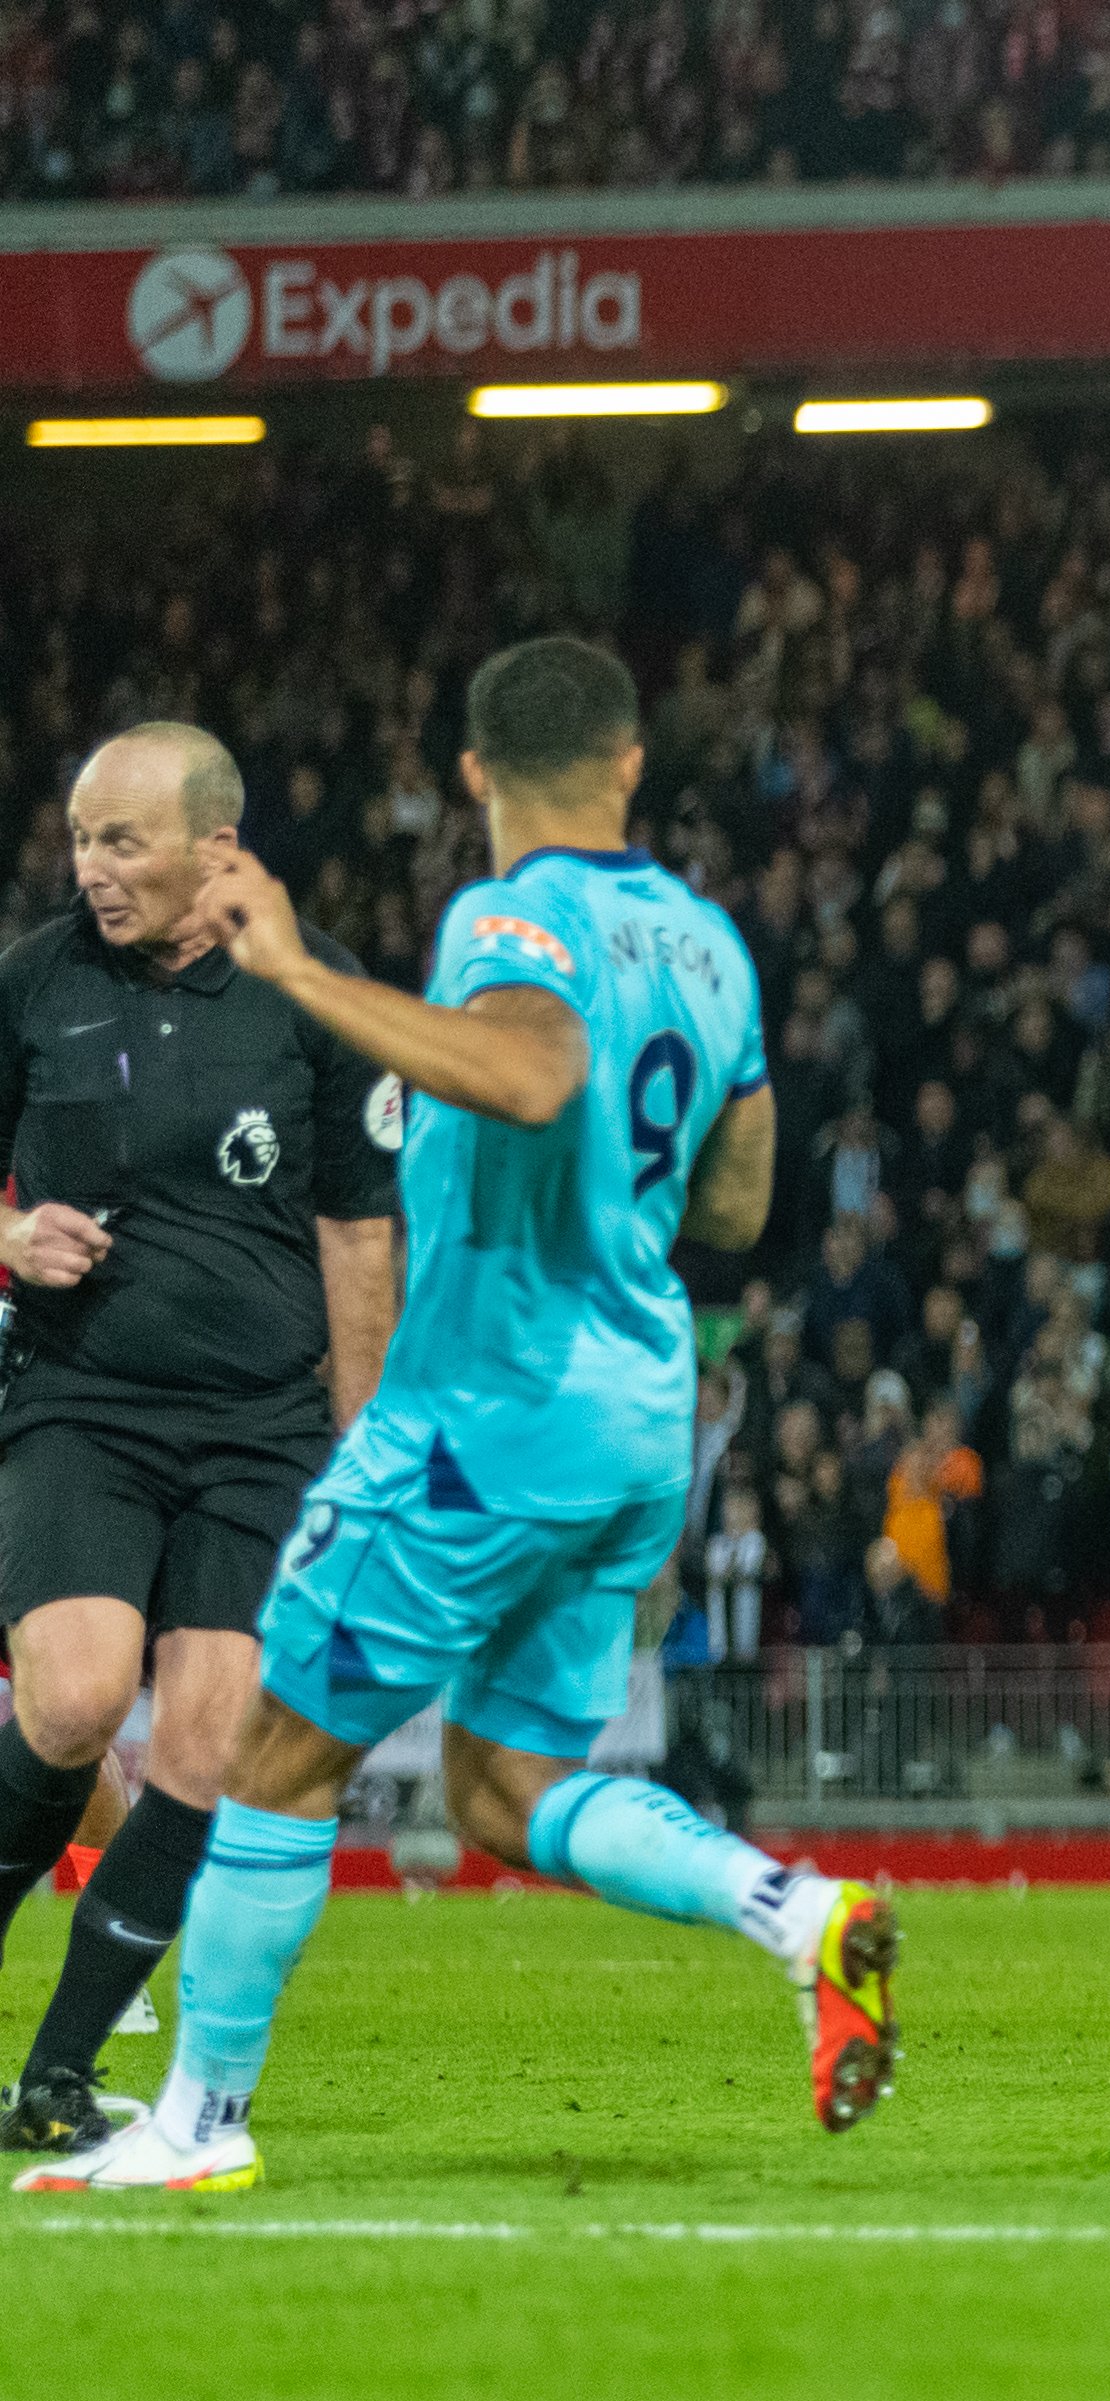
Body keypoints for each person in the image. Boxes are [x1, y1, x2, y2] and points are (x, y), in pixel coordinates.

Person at [17, 637, 899, 2197]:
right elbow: (745, 1198)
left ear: (479, 775)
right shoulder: (704, 941)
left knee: (268, 1755)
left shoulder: (512, 914)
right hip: (640, 1412)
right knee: (503, 1791)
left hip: (492, 1408)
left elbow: (540, 1071)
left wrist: (300, 972)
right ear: (632, 761)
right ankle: (798, 1913)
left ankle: (192, 2124)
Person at [0, 724, 403, 2153]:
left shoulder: (319, 993)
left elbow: (361, 1235)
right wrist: (5, 1236)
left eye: (123, 842)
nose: (89, 869)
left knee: (213, 1743)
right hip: (80, 1403)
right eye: (80, 837)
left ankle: (52, 2076)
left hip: (262, 1427)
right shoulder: (34, 984)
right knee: (69, 1702)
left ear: (217, 847)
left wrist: (365, 1453)